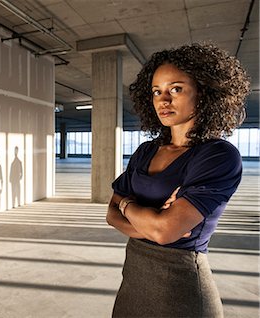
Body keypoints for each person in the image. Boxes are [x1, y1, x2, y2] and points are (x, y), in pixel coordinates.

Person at [106, 43, 250, 318]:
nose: (163, 100)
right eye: (156, 91)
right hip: (133, 280)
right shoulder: (146, 150)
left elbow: (165, 231)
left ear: (204, 92)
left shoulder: (218, 155)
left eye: (176, 89)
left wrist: (127, 206)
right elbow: (111, 215)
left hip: (181, 287)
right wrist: (151, 220)